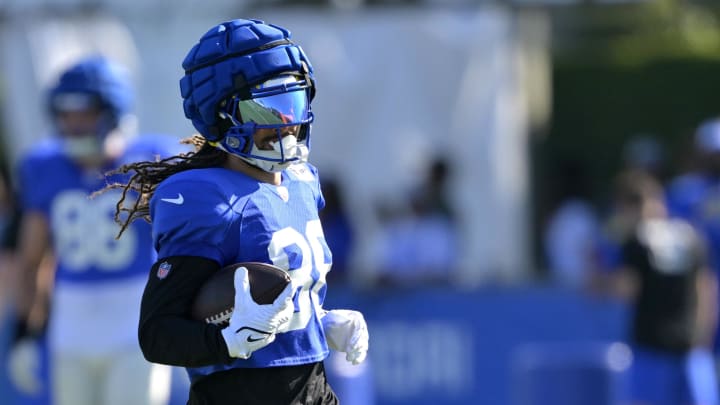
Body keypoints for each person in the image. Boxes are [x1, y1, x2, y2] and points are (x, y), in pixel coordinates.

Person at [98, 19, 369, 404]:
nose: (288, 124)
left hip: (314, 390)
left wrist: (319, 323)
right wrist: (225, 341)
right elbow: (158, 335)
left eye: (293, 103)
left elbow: (276, 300)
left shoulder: (302, 182)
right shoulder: (206, 198)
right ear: (222, 116)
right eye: (269, 109)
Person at [8, 55, 174, 405]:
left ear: (111, 111)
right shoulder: (43, 166)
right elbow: (32, 260)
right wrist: (24, 333)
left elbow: (181, 248)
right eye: (66, 114)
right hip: (71, 331)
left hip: (135, 325)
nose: (74, 124)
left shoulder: (152, 160)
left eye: (84, 113)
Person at [599, 170, 718, 405]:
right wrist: (703, 337)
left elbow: (626, 289)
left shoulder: (636, 242)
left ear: (626, 207)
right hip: (692, 350)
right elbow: (707, 288)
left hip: (651, 350)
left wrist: (600, 276)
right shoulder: (690, 235)